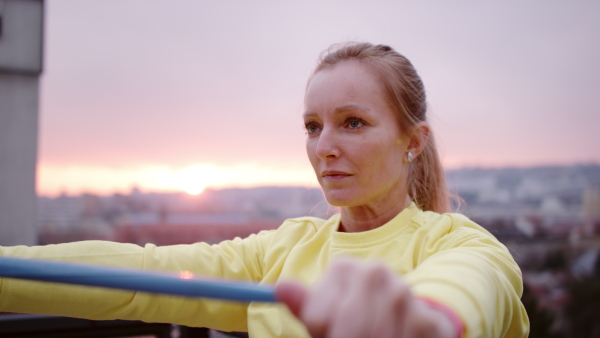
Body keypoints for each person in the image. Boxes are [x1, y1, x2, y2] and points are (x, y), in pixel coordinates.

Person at [0, 42, 529, 337]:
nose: (323, 146)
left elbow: (464, 292)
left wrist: (424, 321)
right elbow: (143, 278)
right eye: (312, 126)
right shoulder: (284, 248)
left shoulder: (464, 247)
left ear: (413, 141)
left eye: (352, 122)